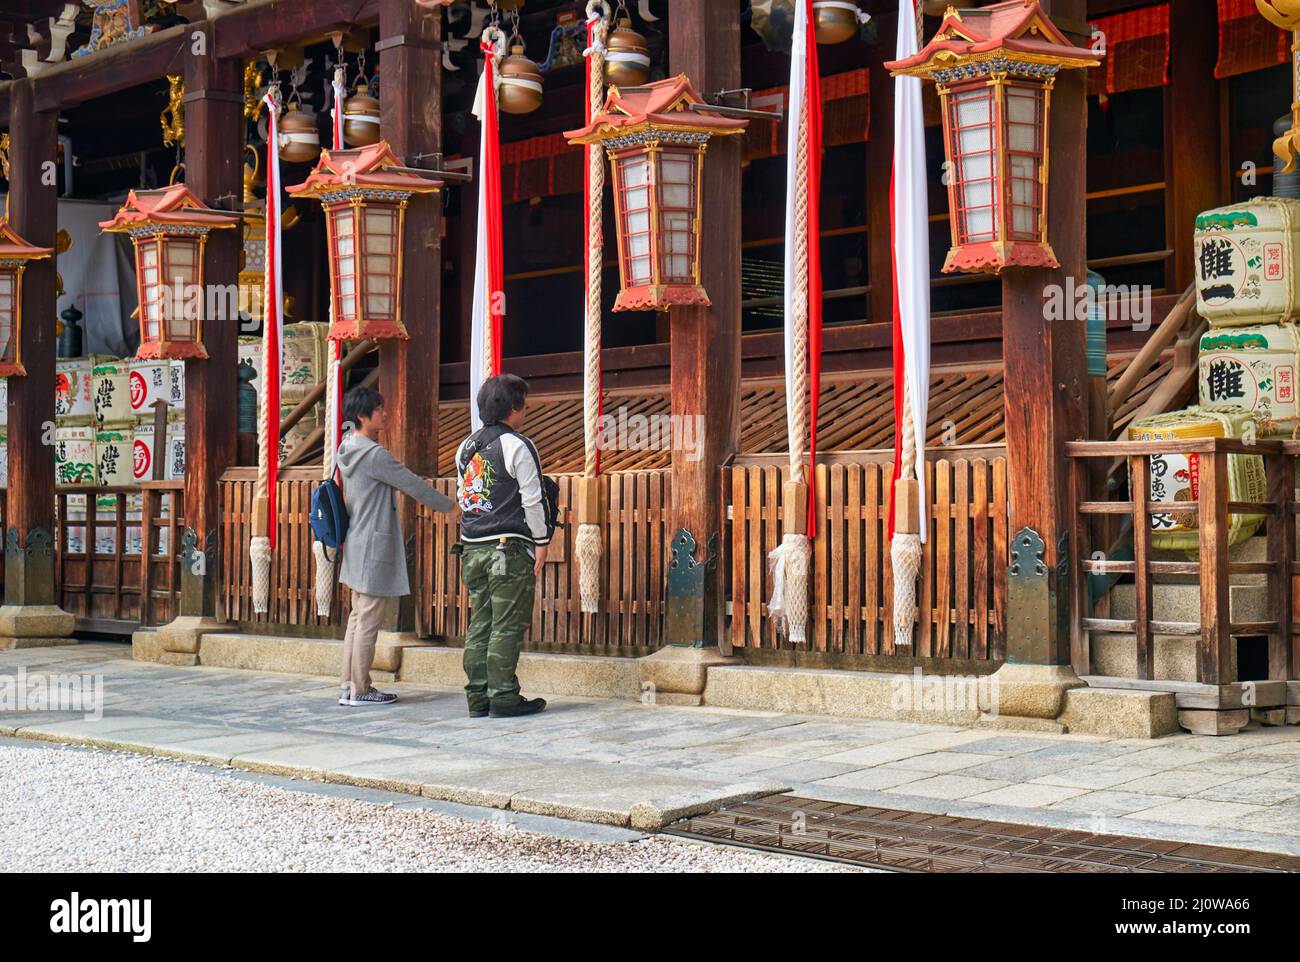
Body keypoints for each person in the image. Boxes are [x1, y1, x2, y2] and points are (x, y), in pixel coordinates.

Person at [336, 386, 459, 707]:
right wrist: (451, 507)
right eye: (379, 409)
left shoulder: (347, 447)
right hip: (373, 544)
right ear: (363, 416)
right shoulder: (374, 454)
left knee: (357, 618)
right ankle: (360, 689)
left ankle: (348, 685)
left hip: (356, 539)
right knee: (368, 621)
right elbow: (412, 484)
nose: (384, 413)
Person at [455, 374, 553, 718]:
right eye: (523, 403)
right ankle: (504, 696)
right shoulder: (517, 445)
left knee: (480, 621)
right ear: (514, 407)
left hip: (471, 548)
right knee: (507, 623)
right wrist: (542, 541)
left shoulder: (466, 447)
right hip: (506, 547)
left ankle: (477, 697)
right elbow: (533, 498)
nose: (525, 409)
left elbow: (462, 496)